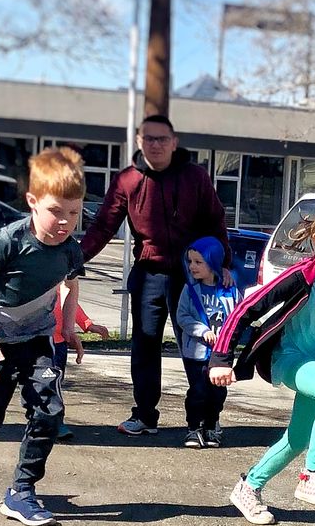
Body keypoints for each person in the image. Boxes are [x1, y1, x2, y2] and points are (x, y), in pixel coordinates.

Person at [209, 194, 315, 525]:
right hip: (288, 358)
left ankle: (248, 487)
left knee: (298, 437)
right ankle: (313, 474)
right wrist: (220, 357)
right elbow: (246, 309)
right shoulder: (302, 276)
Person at [79, 114, 232, 437]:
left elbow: (215, 222)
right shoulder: (127, 181)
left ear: (174, 143)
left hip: (192, 279)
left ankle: (205, 420)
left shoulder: (195, 177)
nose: (156, 144)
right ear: (138, 142)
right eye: (149, 138)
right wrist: (75, 258)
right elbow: (104, 225)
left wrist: (224, 265)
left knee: (198, 348)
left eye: (162, 139)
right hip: (148, 276)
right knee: (145, 348)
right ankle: (145, 415)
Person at [0, 147, 86, 526]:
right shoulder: (9, 241)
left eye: (74, 213)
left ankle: (21, 491)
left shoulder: (71, 249)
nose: (65, 222)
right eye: (56, 211)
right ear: (32, 202)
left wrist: (68, 328)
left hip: (38, 340)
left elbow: (70, 285)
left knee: (50, 411)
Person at [175, 235, 242, 449]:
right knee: (198, 390)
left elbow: (240, 314)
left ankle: (211, 425)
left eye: (198, 262)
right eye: (190, 262)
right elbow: (182, 317)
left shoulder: (229, 290)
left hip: (220, 354)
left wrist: (229, 335)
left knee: (217, 392)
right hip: (197, 353)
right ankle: (194, 427)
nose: (192, 267)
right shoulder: (190, 290)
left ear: (213, 263)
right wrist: (202, 331)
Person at [52, 298, 109, 442]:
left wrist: (87, 325)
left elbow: (68, 301)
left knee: (54, 385)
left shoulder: (59, 282)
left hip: (58, 343)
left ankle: (56, 422)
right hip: (33, 340)